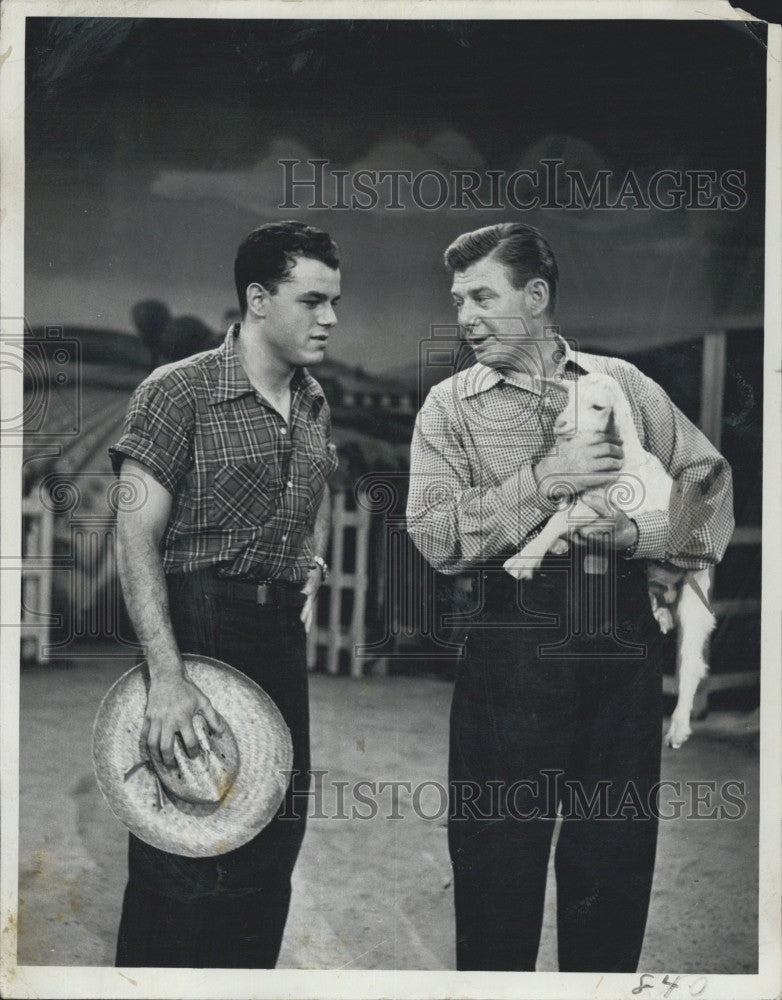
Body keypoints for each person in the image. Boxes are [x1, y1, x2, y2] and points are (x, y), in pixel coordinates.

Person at [406, 223, 734, 972]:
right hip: (508, 654)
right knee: (497, 877)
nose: (465, 316)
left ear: (538, 297)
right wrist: (546, 479)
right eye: (458, 300)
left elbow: (710, 488)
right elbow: (432, 535)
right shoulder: (449, 408)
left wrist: (640, 533)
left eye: (482, 296)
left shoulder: (624, 386)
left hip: (621, 654)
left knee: (612, 873)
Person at [108, 220, 341, 968]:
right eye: (312, 301)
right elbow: (134, 538)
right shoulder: (177, 392)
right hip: (196, 620)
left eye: (335, 302)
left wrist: (308, 558)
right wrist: (166, 676)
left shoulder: (314, 404)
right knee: (185, 845)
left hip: (278, 635)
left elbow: (309, 497)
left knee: (273, 835)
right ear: (258, 299)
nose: (330, 319)